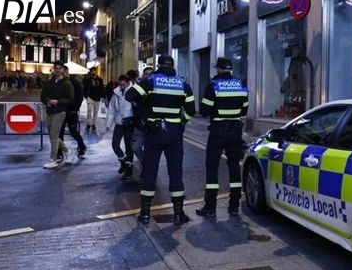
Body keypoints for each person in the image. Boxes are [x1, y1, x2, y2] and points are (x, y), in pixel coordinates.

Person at [125, 56, 195, 225]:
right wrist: (180, 121)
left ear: (159, 66)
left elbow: (129, 96)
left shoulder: (151, 81)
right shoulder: (183, 84)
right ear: (173, 66)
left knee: (150, 172)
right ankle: (178, 214)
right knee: (175, 173)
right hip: (174, 134)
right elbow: (191, 110)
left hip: (153, 133)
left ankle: (145, 213)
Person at [196, 57, 249, 217]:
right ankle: (234, 206)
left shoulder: (214, 85)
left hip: (218, 131)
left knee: (212, 167)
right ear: (230, 69)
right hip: (235, 132)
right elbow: (244, 111)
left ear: (218, 68)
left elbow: (204, 110)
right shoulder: (241, 85)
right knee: (234, 167)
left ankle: (210, 207)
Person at [40, 60, 74, 169]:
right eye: (56, 68)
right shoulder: (49, 82)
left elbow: (71, 99)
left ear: (63, 70)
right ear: (53, 69)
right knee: (52, 135)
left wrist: (58, 102)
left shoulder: (67, 83)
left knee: (54, 136)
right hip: (50, 110)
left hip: (60, 112)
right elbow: (43, 95)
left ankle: (53, 159)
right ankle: (68, 151)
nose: (57, 70)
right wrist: (47, 102)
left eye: (60, 68)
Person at [106, 74, 135, 179]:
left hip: (129, 124)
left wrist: (132, 120)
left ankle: (129, 169)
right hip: (119, 123)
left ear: (128, 83)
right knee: (115, 145)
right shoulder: (116, 93)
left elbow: (136, 109)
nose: (122, 87)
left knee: (129, 148)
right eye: (120, 85)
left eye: (124, 85)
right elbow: (111, 109)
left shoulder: (133, 92)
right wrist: (108, 124)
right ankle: (123, 163)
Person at [58, 68, 87, 159]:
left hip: (71, 111)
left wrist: (75, 108)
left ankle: (82, 146)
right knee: (60, 132)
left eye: (63, 72)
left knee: (73, 130)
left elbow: (80, 96)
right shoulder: (59, 82)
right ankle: (59, 152)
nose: (62, 74)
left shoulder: (75, 82)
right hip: (61, 110)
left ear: (67, 72)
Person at [82, 67, 104, 131]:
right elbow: (85, 88)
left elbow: (102, 88)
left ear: (96, 72)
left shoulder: (100, 80)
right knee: (89, 111)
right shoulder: (88, 80)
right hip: (90, 98)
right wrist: (86, 96)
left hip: (97, 98)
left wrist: (102, 96)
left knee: (95, 112)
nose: (93, 72)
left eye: (94, 71)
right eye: (92, 71)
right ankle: (89, 123)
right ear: (91, 72)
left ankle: (94, 124)